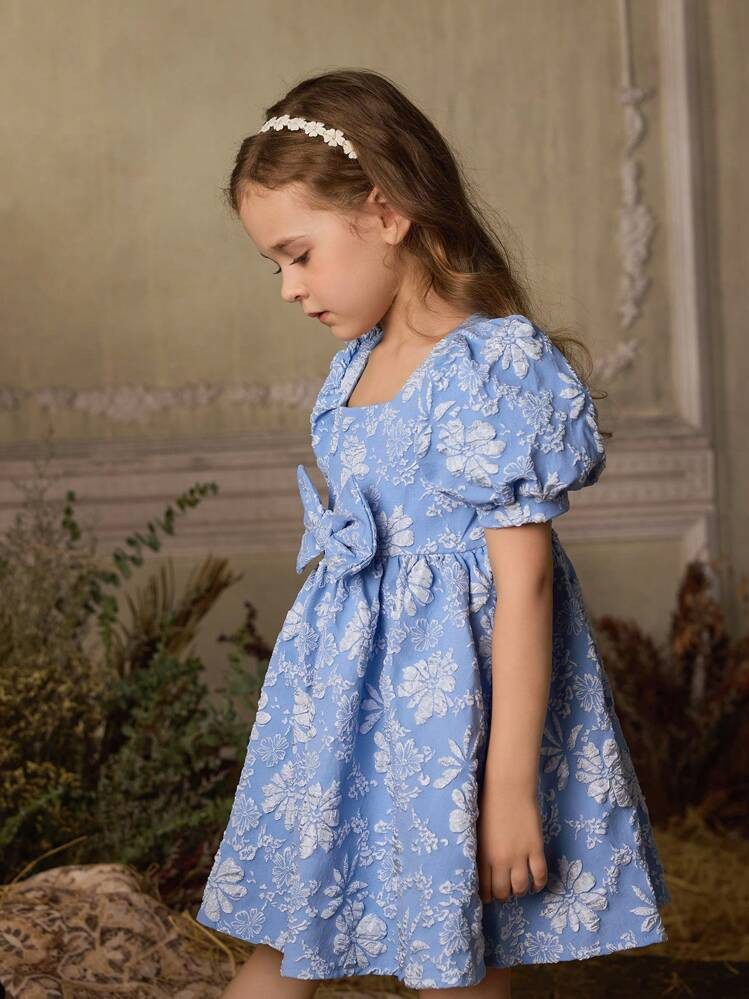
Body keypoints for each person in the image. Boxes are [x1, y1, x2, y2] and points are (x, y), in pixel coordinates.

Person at [195, 69, 670, 999]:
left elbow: (524, 583)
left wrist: (507, 790)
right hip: (346, 716)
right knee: (287, 936)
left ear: (385, 211)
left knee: (459, 947)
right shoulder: (356, 366)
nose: (289, 288)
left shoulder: (488, 364)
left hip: (457, 717)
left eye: (299, 254)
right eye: (274, 266)